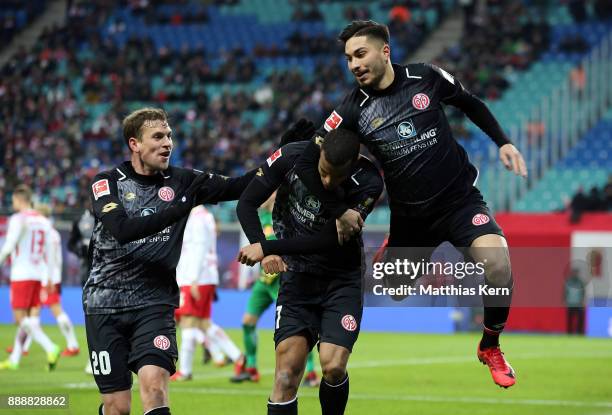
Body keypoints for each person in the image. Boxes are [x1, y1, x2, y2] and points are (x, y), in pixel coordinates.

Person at [293, 20, 528, 389]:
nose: (353, 64)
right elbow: (312, 158)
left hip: (459, 202)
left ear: (384, 51)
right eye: (348, 58)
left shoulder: (427, 78)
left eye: (360, 54)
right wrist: (337, 207)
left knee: (498, 264)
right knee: (395, 289)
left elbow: (470, 103)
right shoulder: (352, 110)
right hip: (410, 218)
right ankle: (394, 251)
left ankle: (490, 345)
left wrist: (504, 142)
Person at [83, 107, 257, 415]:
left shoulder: (182, 182)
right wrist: (178, 209)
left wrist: (283, 156)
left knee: (154, 386)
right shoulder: (107, 182)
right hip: (104, 305)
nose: (168, 143)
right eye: (158, 136)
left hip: (154, 302)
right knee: (118, 408)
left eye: (169, 136)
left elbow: (239, 185)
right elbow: (122, 230)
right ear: (134, 144)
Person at [236, 128, 384, 415]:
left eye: (336, 176)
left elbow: (326, 241)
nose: (327, 182)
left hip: (341, 279)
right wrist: (263, 244)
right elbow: (246, 202)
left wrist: (268, 247)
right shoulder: (293, 156)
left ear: (353, 163)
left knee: (333, 366)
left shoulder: (367, 181)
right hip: (298, 277)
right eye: (323, 172)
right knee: (286, 375)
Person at [231, 192, 320, 386]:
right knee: (247, 322)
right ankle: (252, 368)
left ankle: (311, 373)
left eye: (266, 193)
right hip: (264, 281)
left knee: (299, 329)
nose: (261, 196)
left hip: (284, 279)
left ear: (275, 194)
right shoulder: (260, 218)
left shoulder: (287, 216)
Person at [171, 205, 244, 381]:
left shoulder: (196, 218)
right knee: (203, 323)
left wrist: (194, 278)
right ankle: (237, 357)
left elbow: (199, 249)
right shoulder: (205, 216)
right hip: (202, 276)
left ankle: (185, 371)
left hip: (196, 278)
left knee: (188, 321)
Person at [0, 185, 61, 371]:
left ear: (19, 200)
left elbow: (10, 245)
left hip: (21, 274)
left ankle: (50, 347)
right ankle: (15, 359)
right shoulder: (43, 221)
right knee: (27, 319)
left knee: (20, 319)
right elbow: (50, 251)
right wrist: (49, 277)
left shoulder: (19, 219)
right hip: (38, 275)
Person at [15, 204, 80, 357]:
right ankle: (22, 347)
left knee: (48, 311)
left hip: (45, 278)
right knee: (33, 312)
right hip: (51, 277)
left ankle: (73, 345)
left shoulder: (43, 232)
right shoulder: (54, 233)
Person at [564, 268, 585, 334]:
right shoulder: (568, 282)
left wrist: (582, 301)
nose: (575, 274)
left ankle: (579, 332)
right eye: (574, 273)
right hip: (570, 304)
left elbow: (583, 292)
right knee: (570, 319)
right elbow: (565, 292)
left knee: (580, 319)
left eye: (576, 273)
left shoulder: (580, 282)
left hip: (578, 304)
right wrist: (565, 300)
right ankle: (569, 333)